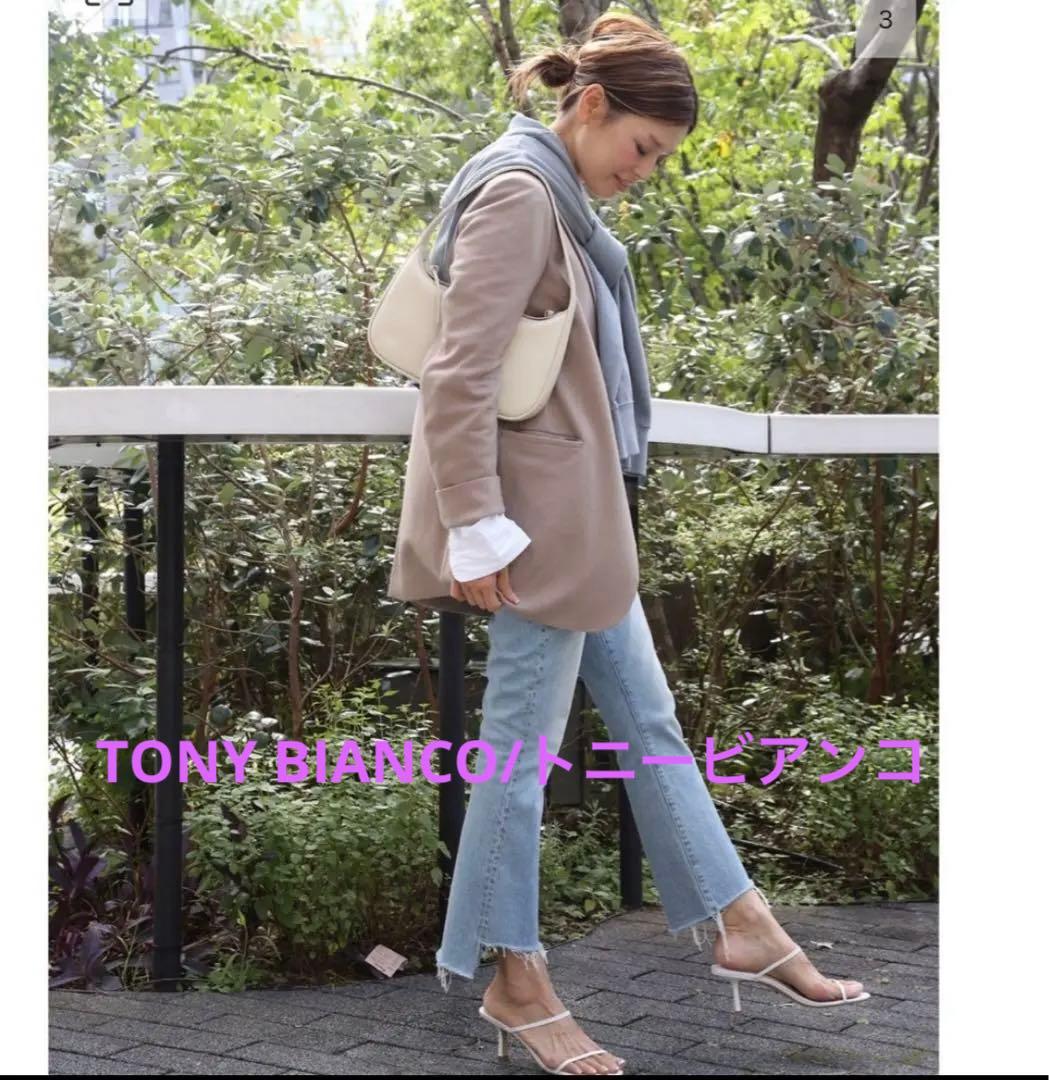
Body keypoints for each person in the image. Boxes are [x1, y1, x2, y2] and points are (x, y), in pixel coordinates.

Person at [386, 13, 868, 1076]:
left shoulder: (557, 203)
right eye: (641, 148)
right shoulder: (520, 193)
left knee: (649, 725)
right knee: (517, 757)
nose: (641, 173)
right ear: (591, 106)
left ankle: (742, 921)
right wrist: (473, 524)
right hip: (531, 533)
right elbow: (458, 372)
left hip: (576, 524)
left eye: (657, 160)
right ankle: (516, 981)